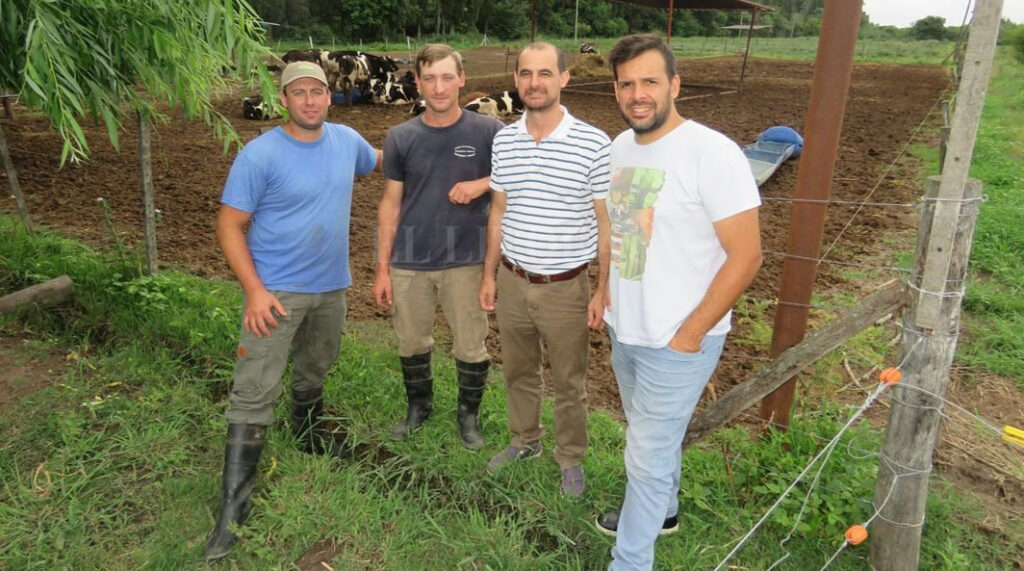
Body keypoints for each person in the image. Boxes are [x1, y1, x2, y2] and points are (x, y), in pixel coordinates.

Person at [593, 34, 763, 570]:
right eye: (626, 84)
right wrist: (603, 293)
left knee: (645, 452)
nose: (637, 94)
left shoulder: (712, 153)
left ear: (674, 85)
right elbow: (618, 236)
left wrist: (690, 333)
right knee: (650, 436)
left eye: (649, 81)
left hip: (680, 339)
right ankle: (664, 510)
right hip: (628, 328)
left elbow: (747, 255)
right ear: (615, 89)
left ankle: (631, 559)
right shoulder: (619, 148)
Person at [205, 61, 381, 560]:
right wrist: (256, 292)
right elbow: (228, 225)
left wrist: (441, 147)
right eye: (298, 92)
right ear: (284, 99)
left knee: (315, 365)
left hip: (331, 287)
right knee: (255, 386)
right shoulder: (260, 155)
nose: (309, 100)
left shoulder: (347, 142)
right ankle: (231, 511)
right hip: (276, 292)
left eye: (317, 92)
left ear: (331, 96)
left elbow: (384, 160)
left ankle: (308, 433)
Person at [479, 42, 611, 498]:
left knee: (569, 381)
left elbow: (604, 222)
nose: (535, 83)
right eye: (526, 74)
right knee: (518, 370)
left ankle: (570, 457)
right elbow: (498, 212)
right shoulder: (504, 139)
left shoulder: (593, 143)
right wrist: (488, 275)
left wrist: (602, 290)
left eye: (545, 74)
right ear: (516, 80)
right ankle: (524, 441)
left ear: (564, 79)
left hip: (565, 287)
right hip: (514, 281)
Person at [374, 44, 504, 450]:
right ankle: (419, 407)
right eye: (429, 78)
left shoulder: (488, 131)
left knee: (470, 343)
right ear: (417, 83)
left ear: (462, 80)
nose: (439, 86)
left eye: (448, 77)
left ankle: (469, 417)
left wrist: (480, 184)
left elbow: (511, 180)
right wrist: (382, 268)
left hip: (465, 259)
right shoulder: (401, 136)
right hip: (410, 259)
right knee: (411, 340)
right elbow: (390, 204)